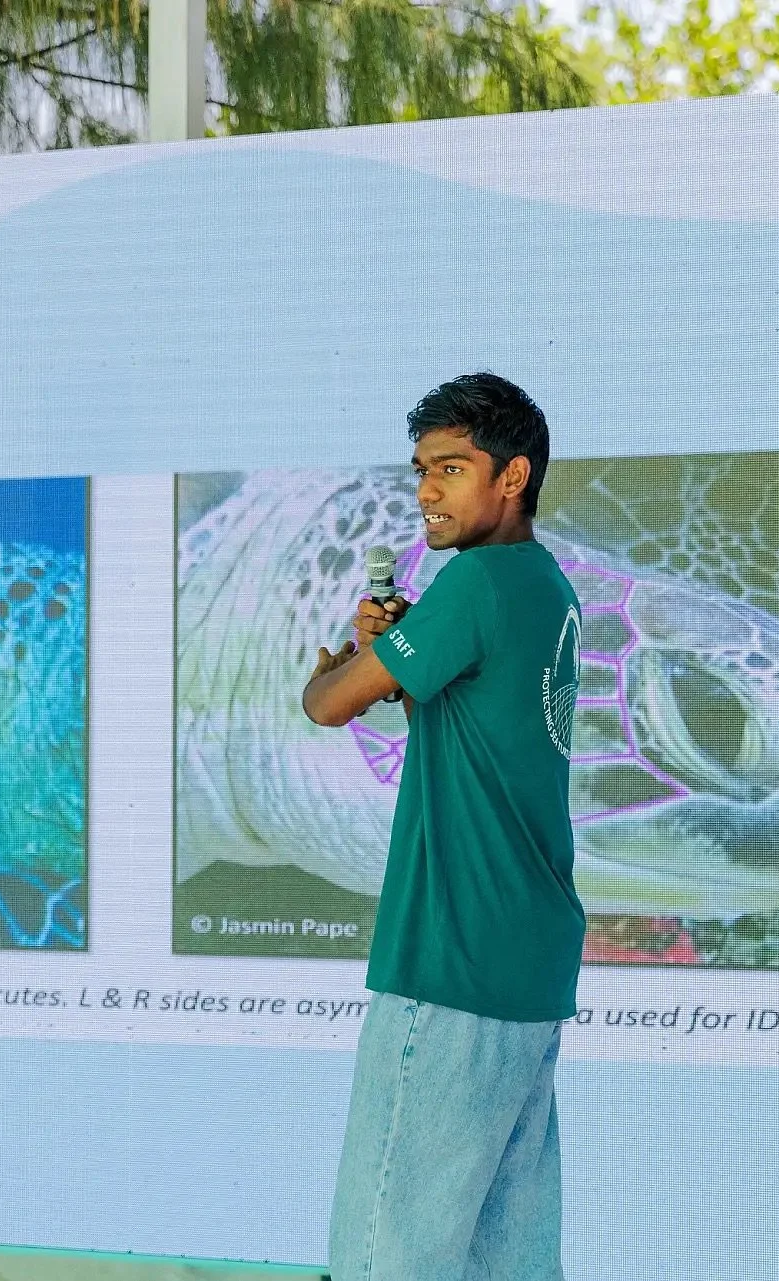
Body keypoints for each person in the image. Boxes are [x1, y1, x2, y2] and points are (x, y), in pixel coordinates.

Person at [301, 372, 585, 1281]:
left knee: (387, 1257)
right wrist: (406, 646)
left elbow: (328, 705)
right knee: (503, 1260)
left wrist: (345, 663)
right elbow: (470, 703)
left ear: (513, 475)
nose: (428, 489)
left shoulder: (475, 580)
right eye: (422, 469)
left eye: (452, 468)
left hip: (451, 958)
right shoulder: (545, 584)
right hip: (528, 965)